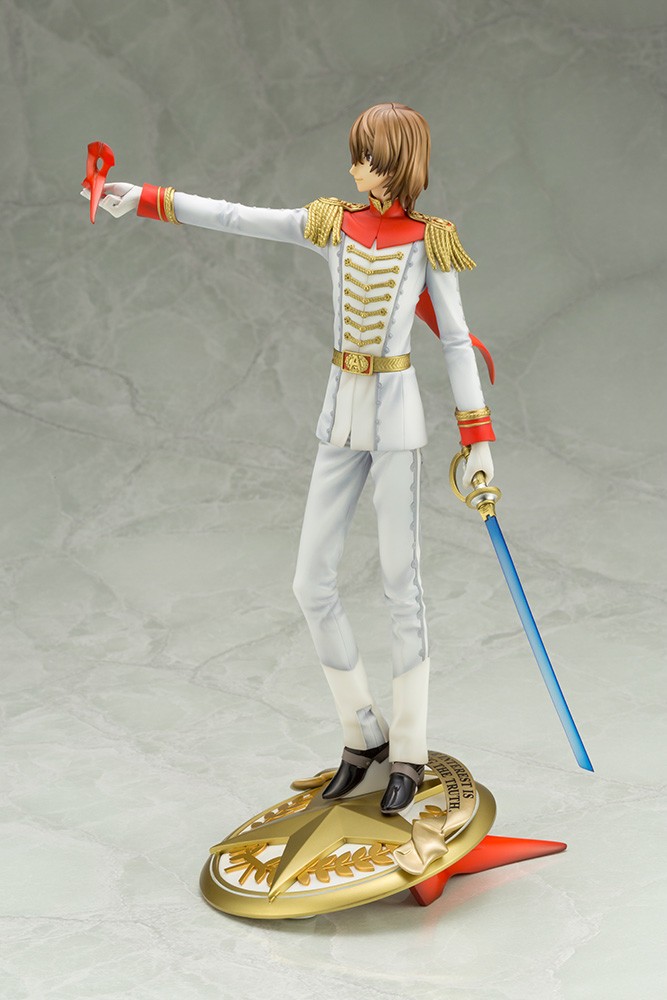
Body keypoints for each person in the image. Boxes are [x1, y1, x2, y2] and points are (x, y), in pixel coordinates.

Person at [86, 102, 495, 814]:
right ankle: (361, 733)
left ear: (393, 162)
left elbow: (457, 342)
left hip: (396, 423)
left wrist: (478, 440)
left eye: (366, 156)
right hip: (339, 419)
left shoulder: (431, 241)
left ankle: (409, 749)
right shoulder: (332, 224)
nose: (354, 167)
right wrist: (145, 197)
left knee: (402, 586)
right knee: (310, 583)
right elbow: (239, 217)